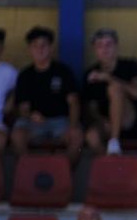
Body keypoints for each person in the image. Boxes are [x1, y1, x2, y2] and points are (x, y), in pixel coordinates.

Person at [10, 26, 83, 161]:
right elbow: (23, 108)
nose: (40, 49)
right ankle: (28, 170)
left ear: (51, 47)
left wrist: (72, 126)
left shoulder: (63, 71)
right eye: (35, 46)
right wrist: (31, 115)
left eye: (44, 45)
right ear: (29, 49)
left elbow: (74, 102)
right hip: (34, 123)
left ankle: (64, 171)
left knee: (76, 135)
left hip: (60, 121)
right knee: (17, 135)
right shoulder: (25, 75)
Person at [81, 28, 137, 155]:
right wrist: (101, 120)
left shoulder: (131, 65)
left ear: (116, 46)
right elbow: (91, 108)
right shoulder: (90, 73)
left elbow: (136, 92)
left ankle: (114, 140)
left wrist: (108, 78)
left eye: (108, 44)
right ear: (95, 50)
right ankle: (111, 163)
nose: (104, 49)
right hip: (107, 123)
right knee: (91, 136)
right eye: (99, 45)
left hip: (129, 122)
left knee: (114, 88)